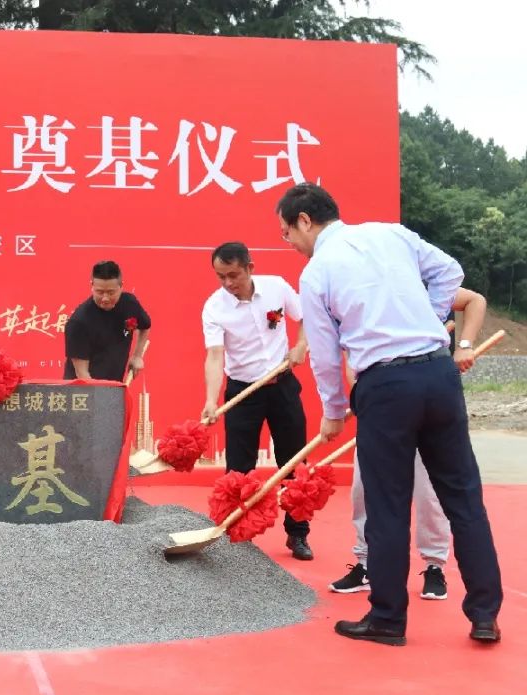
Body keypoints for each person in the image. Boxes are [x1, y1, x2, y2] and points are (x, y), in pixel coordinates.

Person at [278, 182, 502, 646]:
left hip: (384, 386)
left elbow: (323, 353)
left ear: (304, 219)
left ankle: (387, 618)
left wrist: (334, 410)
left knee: (386, 506)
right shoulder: (392, 234)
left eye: (287, 233)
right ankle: (485, 615)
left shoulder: (318, 271)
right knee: (464, 500)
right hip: (438, 375)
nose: (290, 243)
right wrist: (429, 315)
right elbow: (450, 271)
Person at [330, 287, 487, 600]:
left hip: (429, 400)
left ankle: (434, 566)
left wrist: (465, 346)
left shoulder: (427, 285)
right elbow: (351, 354)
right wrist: (363, 392)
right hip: (382, 404)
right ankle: (366, 563)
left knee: (430, 490)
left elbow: (475, 301)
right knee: (365, 487)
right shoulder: (366, 292)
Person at [200, 242, 313, 559]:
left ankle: (298, 534)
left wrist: (302, 344)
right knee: (239, 469)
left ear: (250, 267)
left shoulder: (276, 287)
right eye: (221, 276)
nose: (227, 283)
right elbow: (214, 356)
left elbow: (306, 316)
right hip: (242, 393)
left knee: (293, 462)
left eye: (233, 275)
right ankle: (239, 533)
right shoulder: (215, 307)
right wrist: (211, 399)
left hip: (282, 385)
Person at [63, 260, 150, 382]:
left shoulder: (130, 304)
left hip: (113, 386)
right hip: (82, 392)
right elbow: (82, 375)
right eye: (99, 292)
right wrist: (104, 398)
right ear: (91, 286)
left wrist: (137, 356)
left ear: (121, 287)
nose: (105, 298)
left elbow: (145, 326)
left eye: (111, 292)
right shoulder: (79, 323)